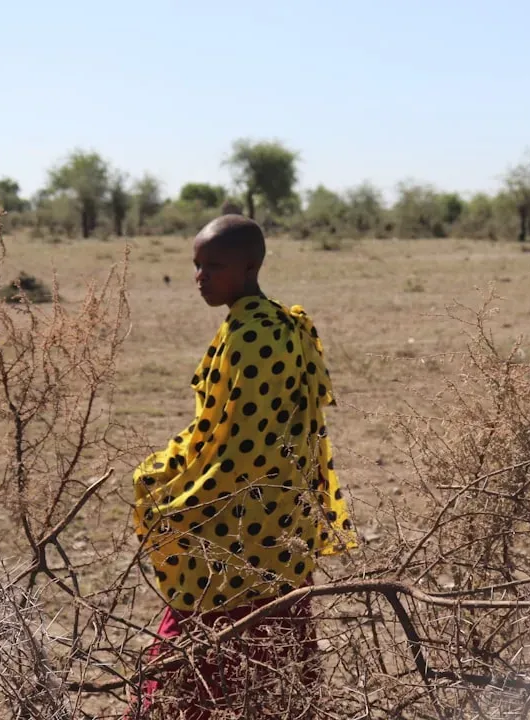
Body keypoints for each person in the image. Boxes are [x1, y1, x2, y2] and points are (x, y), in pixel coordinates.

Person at [126, 215, 358, 718]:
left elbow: (240, 445)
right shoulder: (278, 322)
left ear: (250, 266)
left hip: (243, 521)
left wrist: (169, 488)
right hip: (281, 517)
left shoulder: (253, 335)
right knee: (275, 649)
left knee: (200, 642)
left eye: (214, 265)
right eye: (196, 265)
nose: (201, 277)